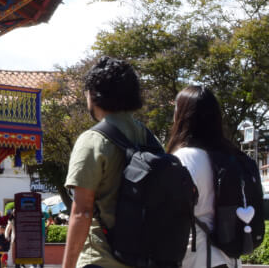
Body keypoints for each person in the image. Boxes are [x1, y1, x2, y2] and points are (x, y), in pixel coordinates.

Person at [63, 56, 150, 268]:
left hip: (100, 258)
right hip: (144, 259)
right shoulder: (149, 137)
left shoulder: (93, 140)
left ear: (93, 95)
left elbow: (82, 211)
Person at [166, 86, 241, 268]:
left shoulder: (182, 158)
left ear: (182, 116)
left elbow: (170, 213)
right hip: (230, 256)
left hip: (197, 256)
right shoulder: (230, 156)